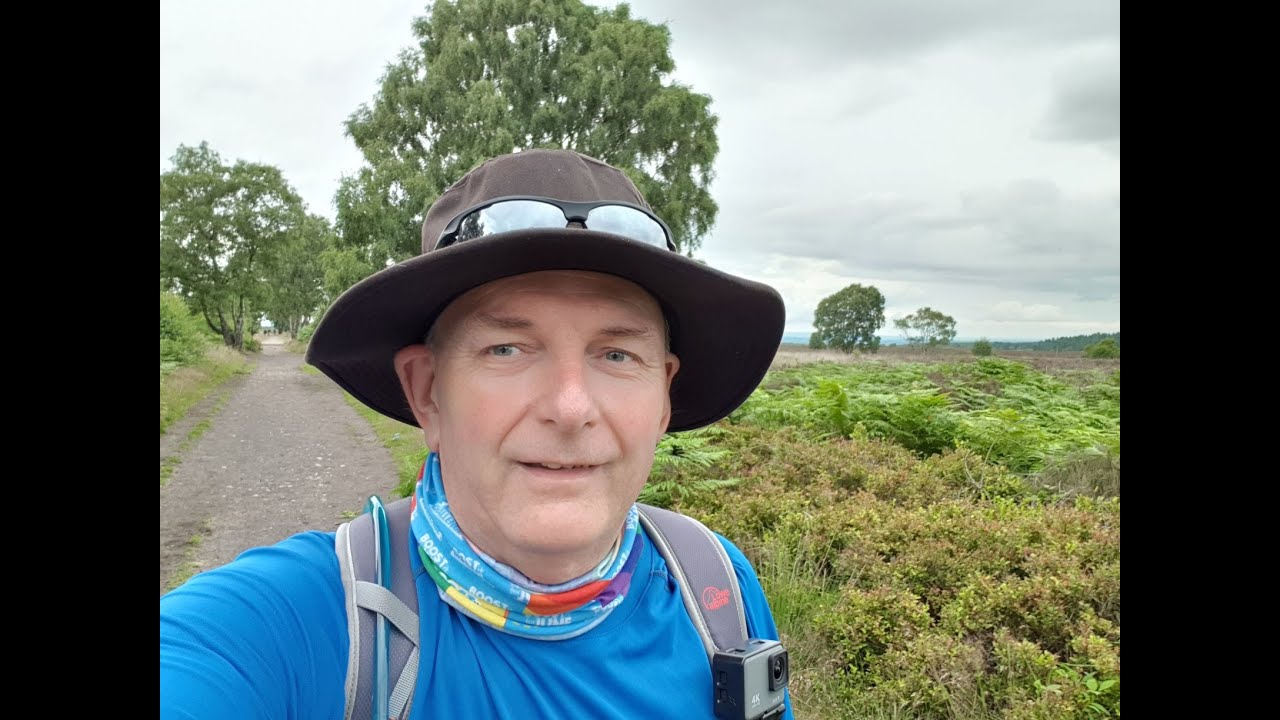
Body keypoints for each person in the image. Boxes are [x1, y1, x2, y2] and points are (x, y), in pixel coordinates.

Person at [160, 149, 791, 718]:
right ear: (427, 391)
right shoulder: (292, 626)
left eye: (617, 355)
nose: (571, 408)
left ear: (663, 399)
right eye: (508, 348)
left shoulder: (715, 591)